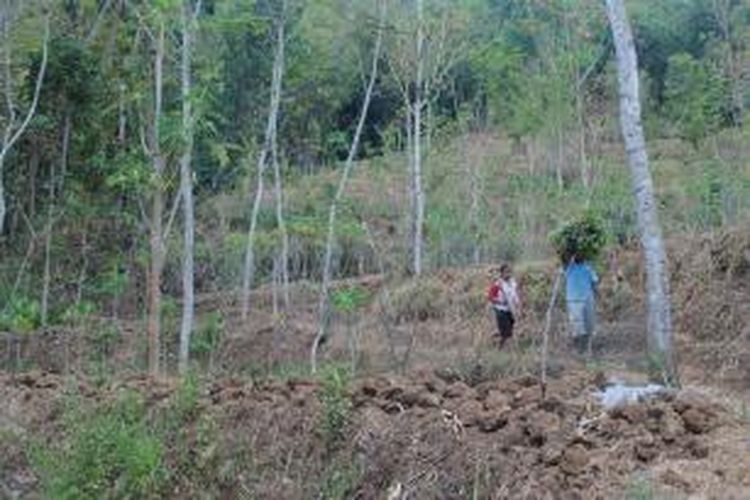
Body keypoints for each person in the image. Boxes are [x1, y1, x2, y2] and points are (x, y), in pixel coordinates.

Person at [565, 254, 599, 353]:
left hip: (586, 299)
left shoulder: (588, 268)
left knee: (588, 323)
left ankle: (588, 348)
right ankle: (578, 347)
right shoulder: (569, 268)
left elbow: (594, 282)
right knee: (576, 325)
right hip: (574, 300)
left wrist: (596, 293)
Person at [487, 264, 521, 349]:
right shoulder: (497, 284)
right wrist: (500, 301)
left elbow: (515, 295)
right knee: (505, 330)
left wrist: (518, 304)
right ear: (501, 273)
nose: (508, 274)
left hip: (510, 309)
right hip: (500, 309)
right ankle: (500, 347)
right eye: (506, 272)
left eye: (509, 272)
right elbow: (490, 297)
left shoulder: (513, 283)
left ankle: (497, 337)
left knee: (510, 330)